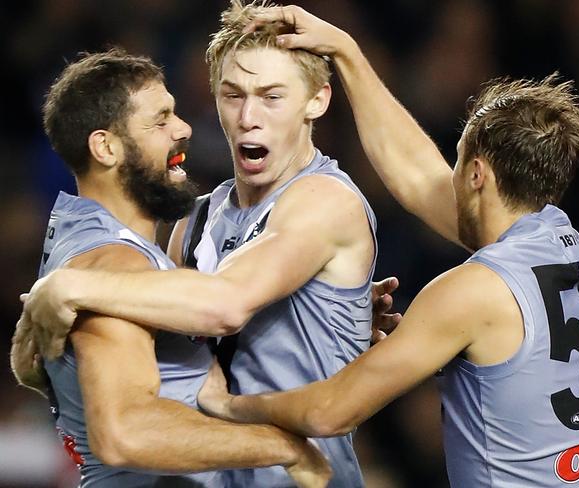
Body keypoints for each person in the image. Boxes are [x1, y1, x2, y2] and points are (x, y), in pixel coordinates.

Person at [192, 6, 579, 488]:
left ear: (477, 174)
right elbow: (419, 177)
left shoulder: (470, 290)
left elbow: (328, 412)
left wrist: (228, 403)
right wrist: (347, 51)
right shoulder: (569, 246)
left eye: (457, 162)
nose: (447, 175)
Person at [15, 2, 392, 487]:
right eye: (233, 95)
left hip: (304, 477)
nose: (249, 116)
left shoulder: (324, 200)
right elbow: (142, 351)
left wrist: (68, 287)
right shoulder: (191, 221)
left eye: (272, 96)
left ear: (316, 101)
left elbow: (226, 305)